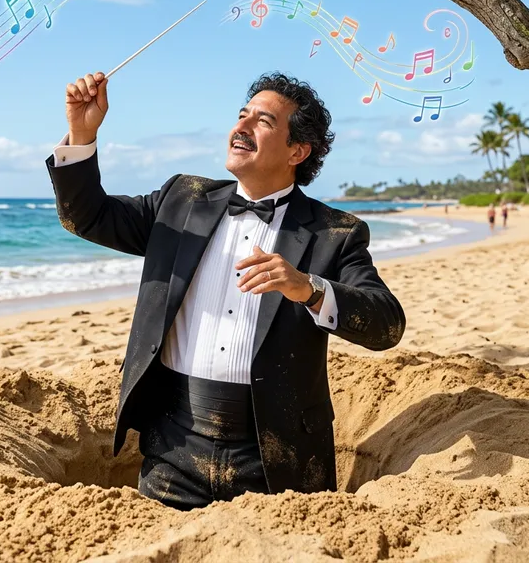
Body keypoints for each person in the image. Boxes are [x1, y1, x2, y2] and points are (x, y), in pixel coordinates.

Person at [46, 70, 405, 510]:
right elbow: (87, 217)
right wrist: (82, 134)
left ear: (298, 150)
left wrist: (308, 288)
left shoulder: (336, 233)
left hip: (278, 460)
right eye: (242, 115)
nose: (242, 126)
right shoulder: (180, 200)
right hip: (171, 450)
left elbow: (387, 325)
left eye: (264, 121)